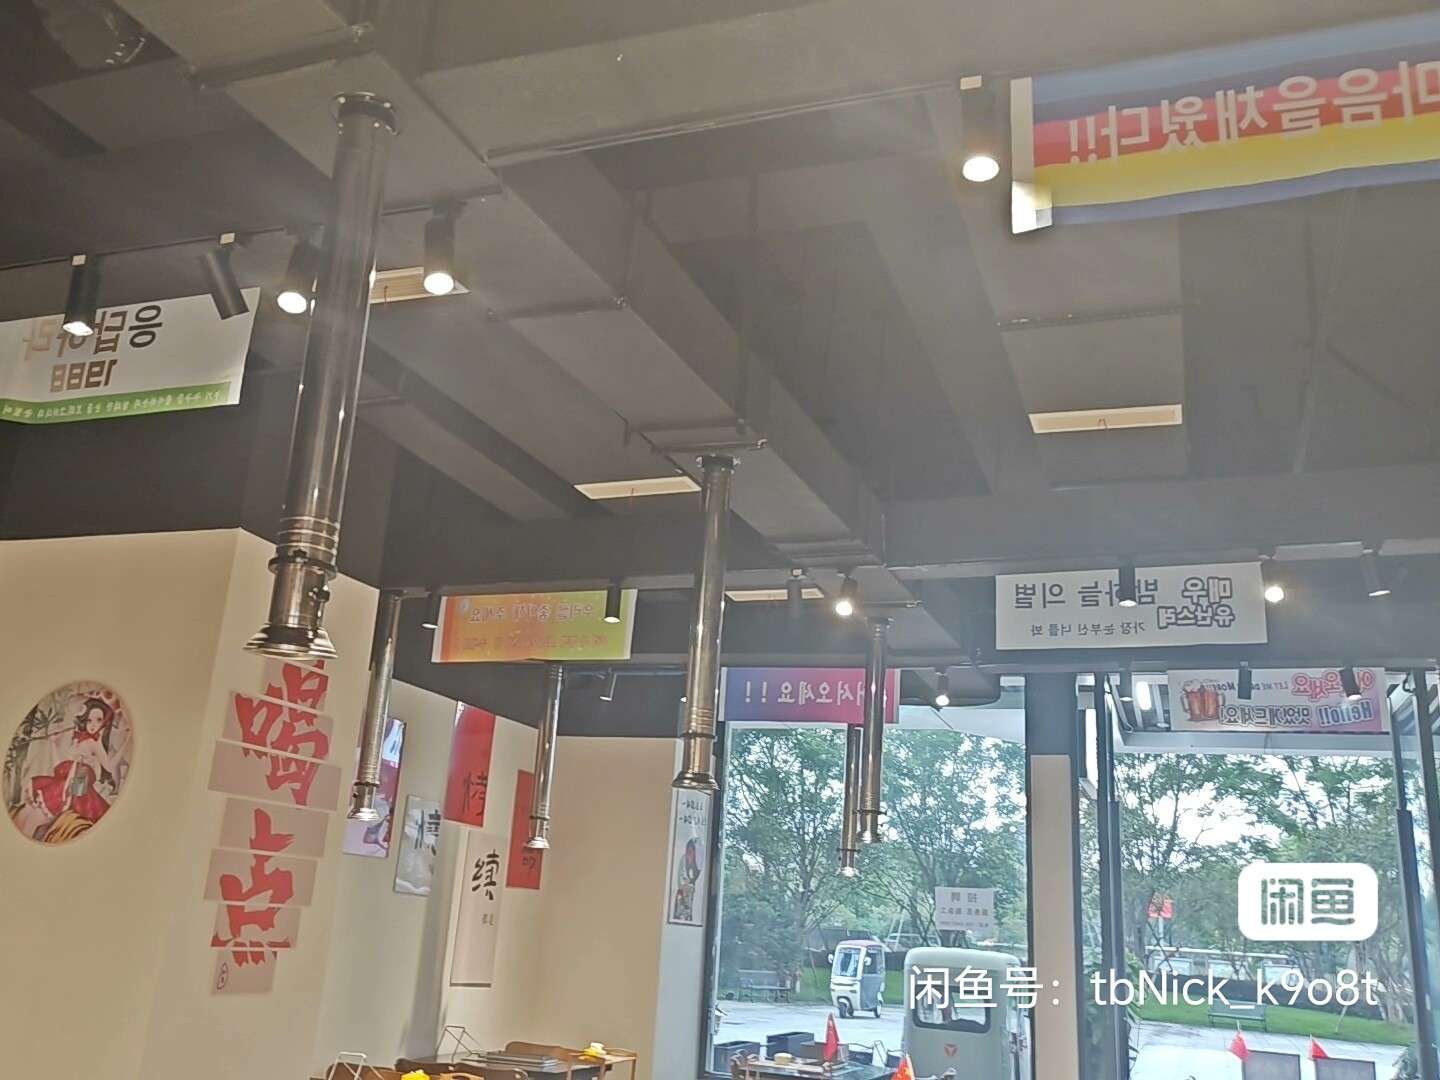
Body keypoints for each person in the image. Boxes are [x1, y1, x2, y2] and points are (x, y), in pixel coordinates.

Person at [24, 695, 131, 838]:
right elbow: (60, 765)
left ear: (104, 722)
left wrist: (97, 756)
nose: (93, 725)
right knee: (54, 791)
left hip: (79, 782)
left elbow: (108, 766)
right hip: (67, 779)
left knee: (72, 783)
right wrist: (53, 744)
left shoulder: (94, 743)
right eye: (89, 720)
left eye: (98, 720)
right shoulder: (77, 741)